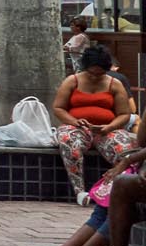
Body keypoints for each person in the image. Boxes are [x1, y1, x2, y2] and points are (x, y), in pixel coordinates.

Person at [54, 43, 137, 201]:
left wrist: (109, 127)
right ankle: (80, 191)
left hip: (107, 129)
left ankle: (113, 189)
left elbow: (124, 114)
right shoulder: (72, 81)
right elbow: (58, 108)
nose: (94, 77)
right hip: (76, 127)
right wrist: (75, 121)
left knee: (125, 150)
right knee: (68, 141)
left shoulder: (114, 84)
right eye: (91, 73)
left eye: (99, 74)